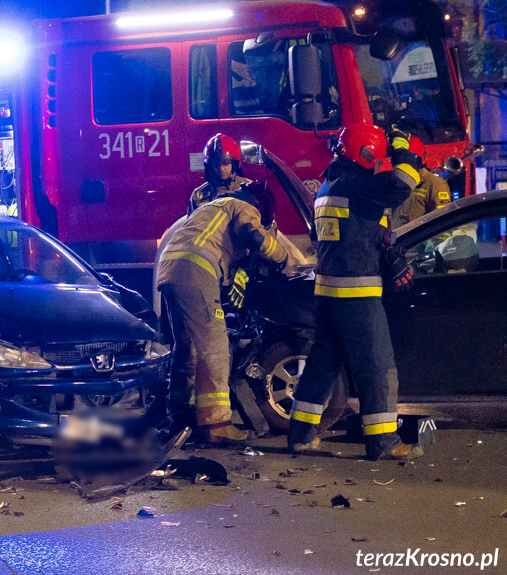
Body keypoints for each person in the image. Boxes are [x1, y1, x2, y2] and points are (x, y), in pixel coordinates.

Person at [287, 123, 423, 461]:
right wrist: (401, 145)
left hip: (328, 293)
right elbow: (404, 181)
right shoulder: (360, 185)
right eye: (376, 157)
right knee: (377, 366)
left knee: (322, 364)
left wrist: (387, 253)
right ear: (365, 153)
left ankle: (300, 435)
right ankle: (383, 443)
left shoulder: (329, 187)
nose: (379, 164)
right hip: (357, 293)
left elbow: (357, 232)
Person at [157, 181, 294, 444]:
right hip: (196, 267)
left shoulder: (211, 208)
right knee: (215, 346)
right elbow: (253, 234)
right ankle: (217, 424)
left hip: (170, 269)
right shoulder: (242, 205)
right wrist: (282, 257)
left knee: (187, 348)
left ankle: (181, 415)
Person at [390, 135, 452, 228]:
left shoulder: (435, 185)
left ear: (417, 160)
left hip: (417, 241)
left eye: (405, 159)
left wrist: (435, 242)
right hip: (398, 240)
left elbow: (442, 223)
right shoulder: (397, 181)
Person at [188, 134, 252, 215]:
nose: (221, 169)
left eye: (225, 163)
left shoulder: (248, 188)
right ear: (209, 166)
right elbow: (192, 226)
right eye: (216, 164)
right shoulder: (198, 195)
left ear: (234, 164)